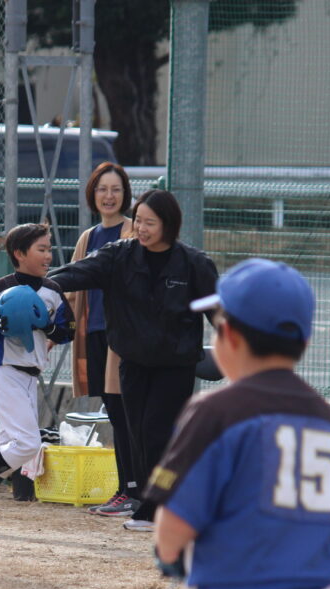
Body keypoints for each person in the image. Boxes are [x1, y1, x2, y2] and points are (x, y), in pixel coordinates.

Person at [151, 258, 330, 589]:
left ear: (228, 335)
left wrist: (168, 553)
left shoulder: (216, 411)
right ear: (304, 343)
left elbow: (176, 521)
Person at [49, 190, 218, 532]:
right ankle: (153, 502)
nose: (141, 228)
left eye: (149, 223)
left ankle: (157, 509)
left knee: (157, 432)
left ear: (168, 225)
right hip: (134, 362)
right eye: (138, 220)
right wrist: (42, 284)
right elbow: (78, 272)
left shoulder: (194, 264)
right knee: (137, 434)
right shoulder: (119, 256)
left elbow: (219, 312)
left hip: (174, 366)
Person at [0, 223, 75, 533]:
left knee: (10, 447)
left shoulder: (53, 290)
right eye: (41, 249)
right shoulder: (1, 287)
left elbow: (68, 331)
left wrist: (48, 327)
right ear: (19, 253)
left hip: (30, 379)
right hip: (5, 374)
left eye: (49, 249)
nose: (48, 255)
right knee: (27, 444)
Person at [66, 162, 137, 517]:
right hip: (94, 334)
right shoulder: (88, 237)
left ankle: (133, 490)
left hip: (121, 338)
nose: (109, 196)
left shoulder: (132, 232)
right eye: (102, 189)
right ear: (92, 194)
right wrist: (55, 332)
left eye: (116, 189)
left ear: (126, 195)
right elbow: (72, 290)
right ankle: (125, 490)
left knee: (126, 414)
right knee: (114, 411)